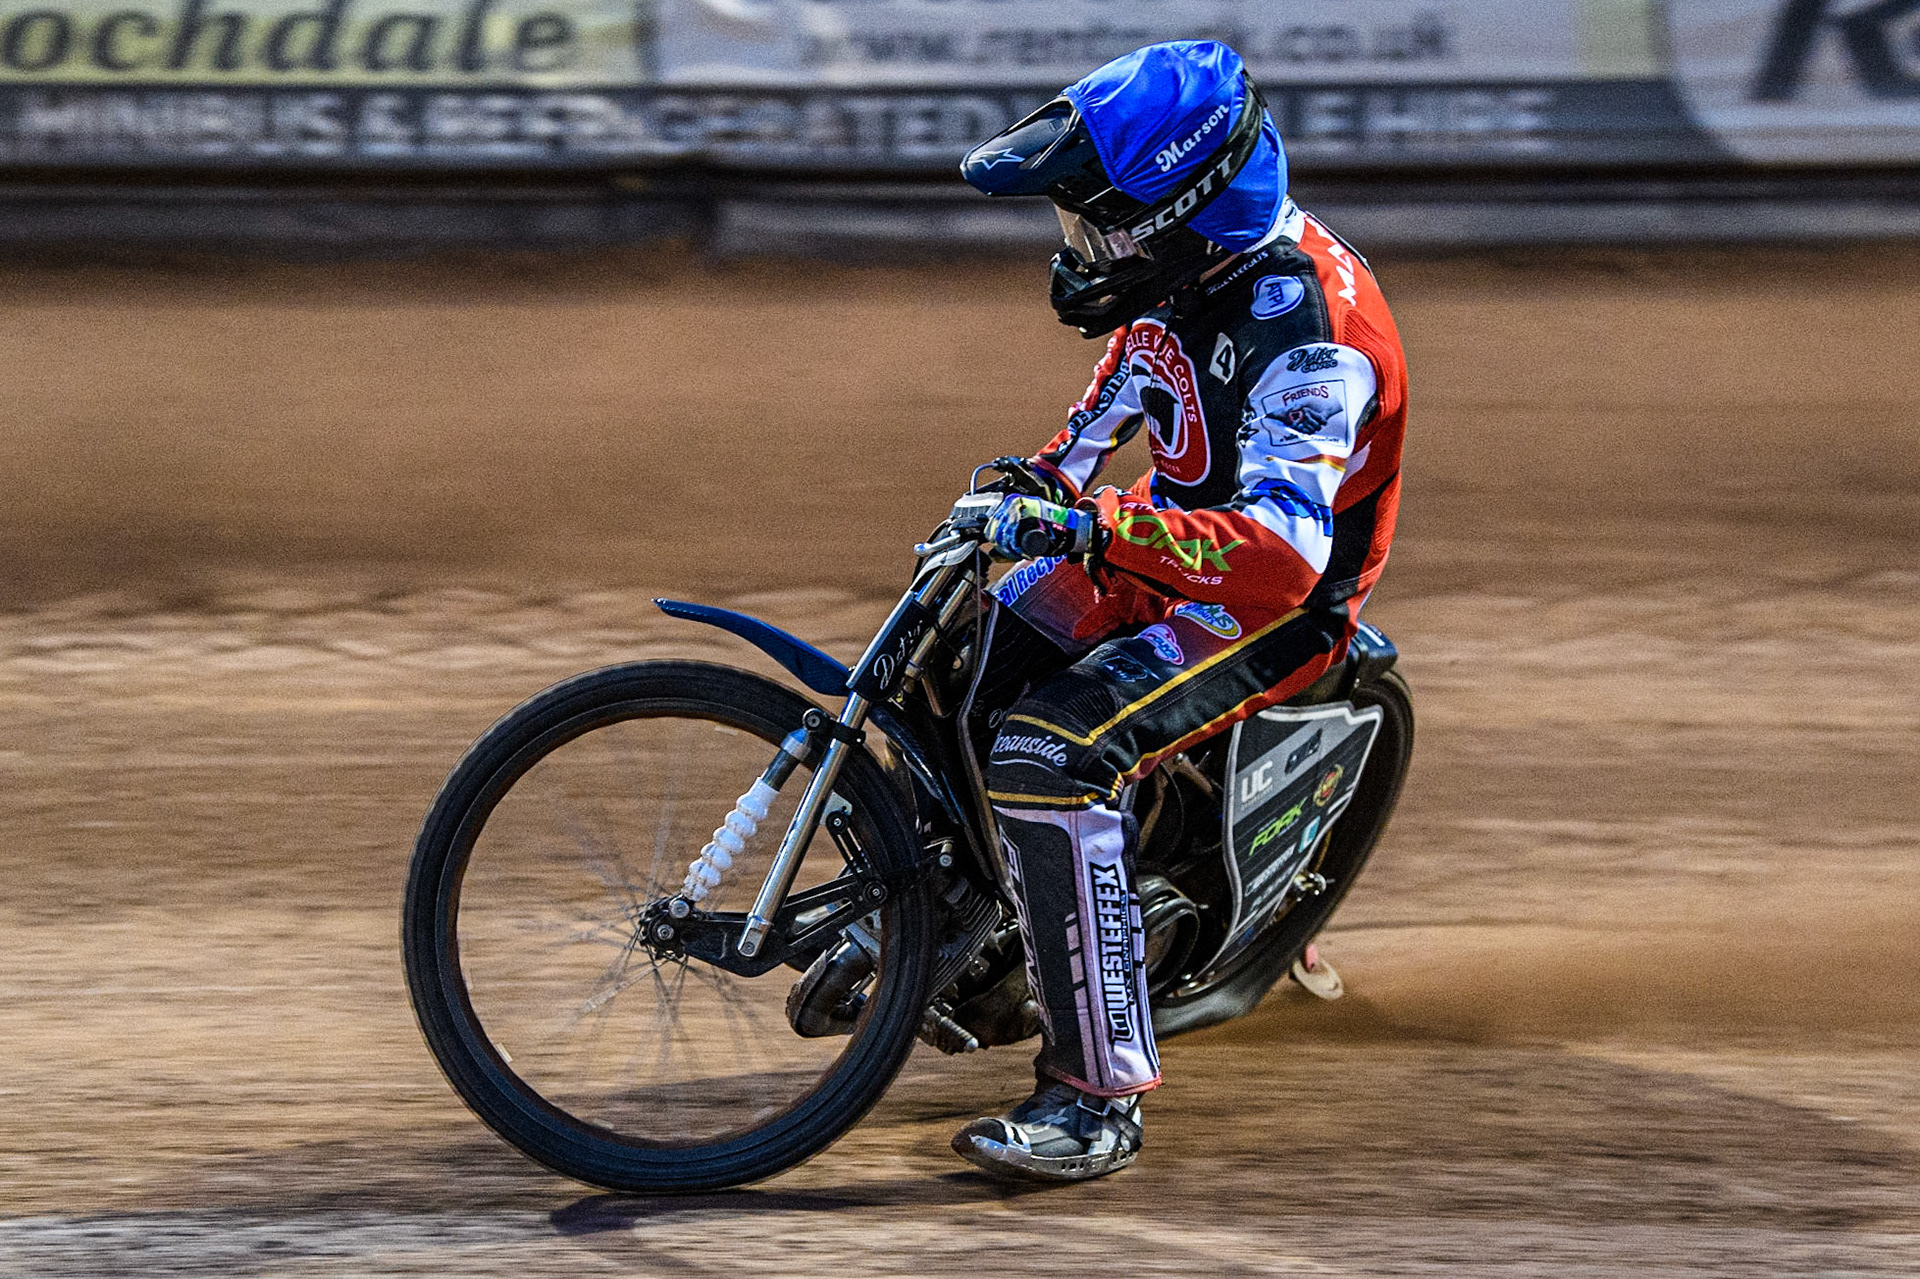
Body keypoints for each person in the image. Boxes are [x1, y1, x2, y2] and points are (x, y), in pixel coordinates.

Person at [947, 40, 1409, 1182]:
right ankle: (955, 905)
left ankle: (1096, 1100)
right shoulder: (1188, 281)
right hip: (1175, 547)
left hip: (1275, 608)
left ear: (1189, 219)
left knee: (1050, 752)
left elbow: (1279, 559)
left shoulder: (1313, 340)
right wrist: (1046, 484)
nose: (1080, 254)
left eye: (1102, 230)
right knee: (971, 633)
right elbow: (1116, 398)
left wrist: (1093, 528)